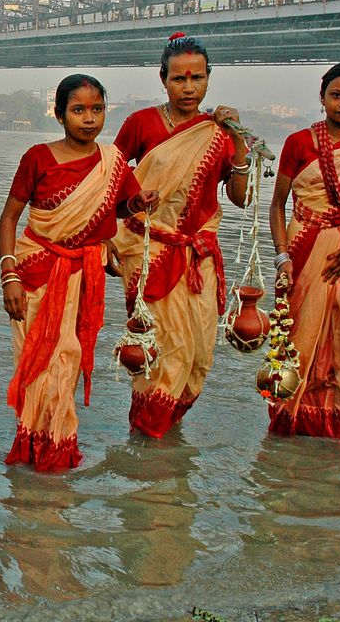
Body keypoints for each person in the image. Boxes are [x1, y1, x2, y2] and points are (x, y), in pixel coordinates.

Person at [0, 75, 155, 471]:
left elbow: (115, 209)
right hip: (34, 273)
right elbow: (9, 219)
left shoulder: (113, 162)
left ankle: (52, 451)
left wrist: (137, 201)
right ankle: (38, 454)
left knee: (64, 363)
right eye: (78, 110)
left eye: (97, 109)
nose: (89, 119)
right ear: (60, 114)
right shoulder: (38, 157)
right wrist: (9, 276)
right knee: (38, 365)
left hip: (81, 278)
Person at [110, 33, 249, 439]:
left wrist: (238, 141)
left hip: (197, 258)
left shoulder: (220, 132)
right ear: (162, 79)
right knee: (159, 349)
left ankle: (160, 434)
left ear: (209, 79)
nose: (188, 88)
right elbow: (110, 183)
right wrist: (127, 212)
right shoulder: (141, 123)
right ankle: (148, 444)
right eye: (179, 79)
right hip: (147, 249)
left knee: (196, 353)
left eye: (197, 78)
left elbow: (239, 199)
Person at [268, 63, 340, 438]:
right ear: (321, 98)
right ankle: (288, 421)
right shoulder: (299, 143)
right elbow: (277, 205)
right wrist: (282, 256)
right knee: (298, 339)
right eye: (337, 95)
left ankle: (332, 424)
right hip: (304, 251)